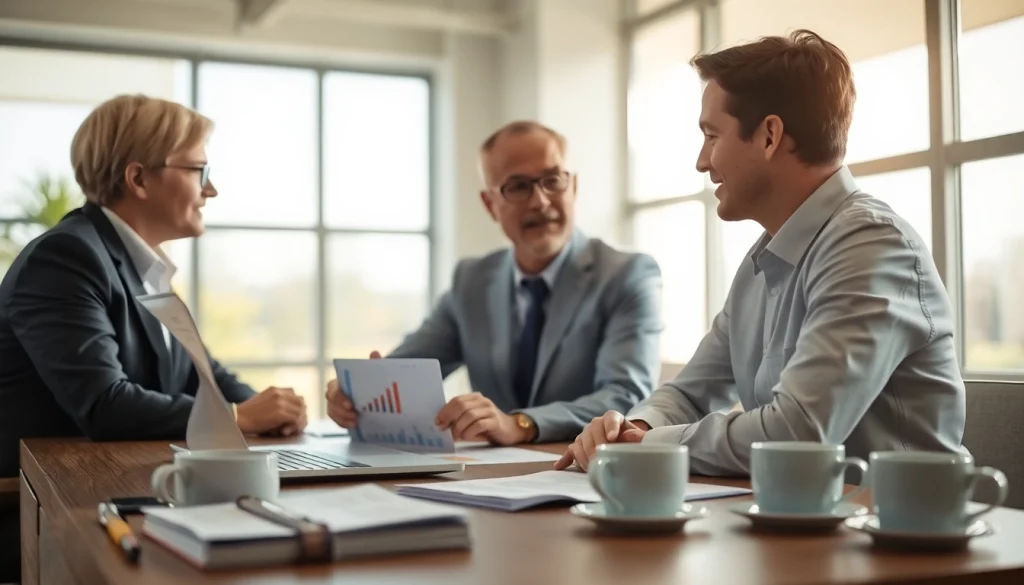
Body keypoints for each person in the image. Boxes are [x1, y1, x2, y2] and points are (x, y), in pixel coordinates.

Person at [556, 30, 966, 474]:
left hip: (896, 532)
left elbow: (799, 433)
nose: (702, 160)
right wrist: (629, 428)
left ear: (770, 136)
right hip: (800, 523)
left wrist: (652, 444)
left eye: (712, 136)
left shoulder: (871, 246)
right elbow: (690, 393)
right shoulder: (763, 260)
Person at [0, 94, 308, 482]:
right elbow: (104, 403)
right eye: (200, 170)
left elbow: (205, 377)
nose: (210, 189)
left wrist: (274, 408)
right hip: (43, 506)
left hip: (119, 480)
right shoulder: (66, 258)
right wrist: (240, 416)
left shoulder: (144, 266)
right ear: (139, 179)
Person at [326, 121, 663, 445]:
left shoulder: (627, 275)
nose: (540, 201)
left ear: (572, 186)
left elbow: (624, 395)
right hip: (493, 478)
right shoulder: (471, 281)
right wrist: (356, 392)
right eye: (518, 187)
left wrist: (521, 424)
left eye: (552, 180)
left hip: (589, 474)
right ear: (490, 205)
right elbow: (408, 369)